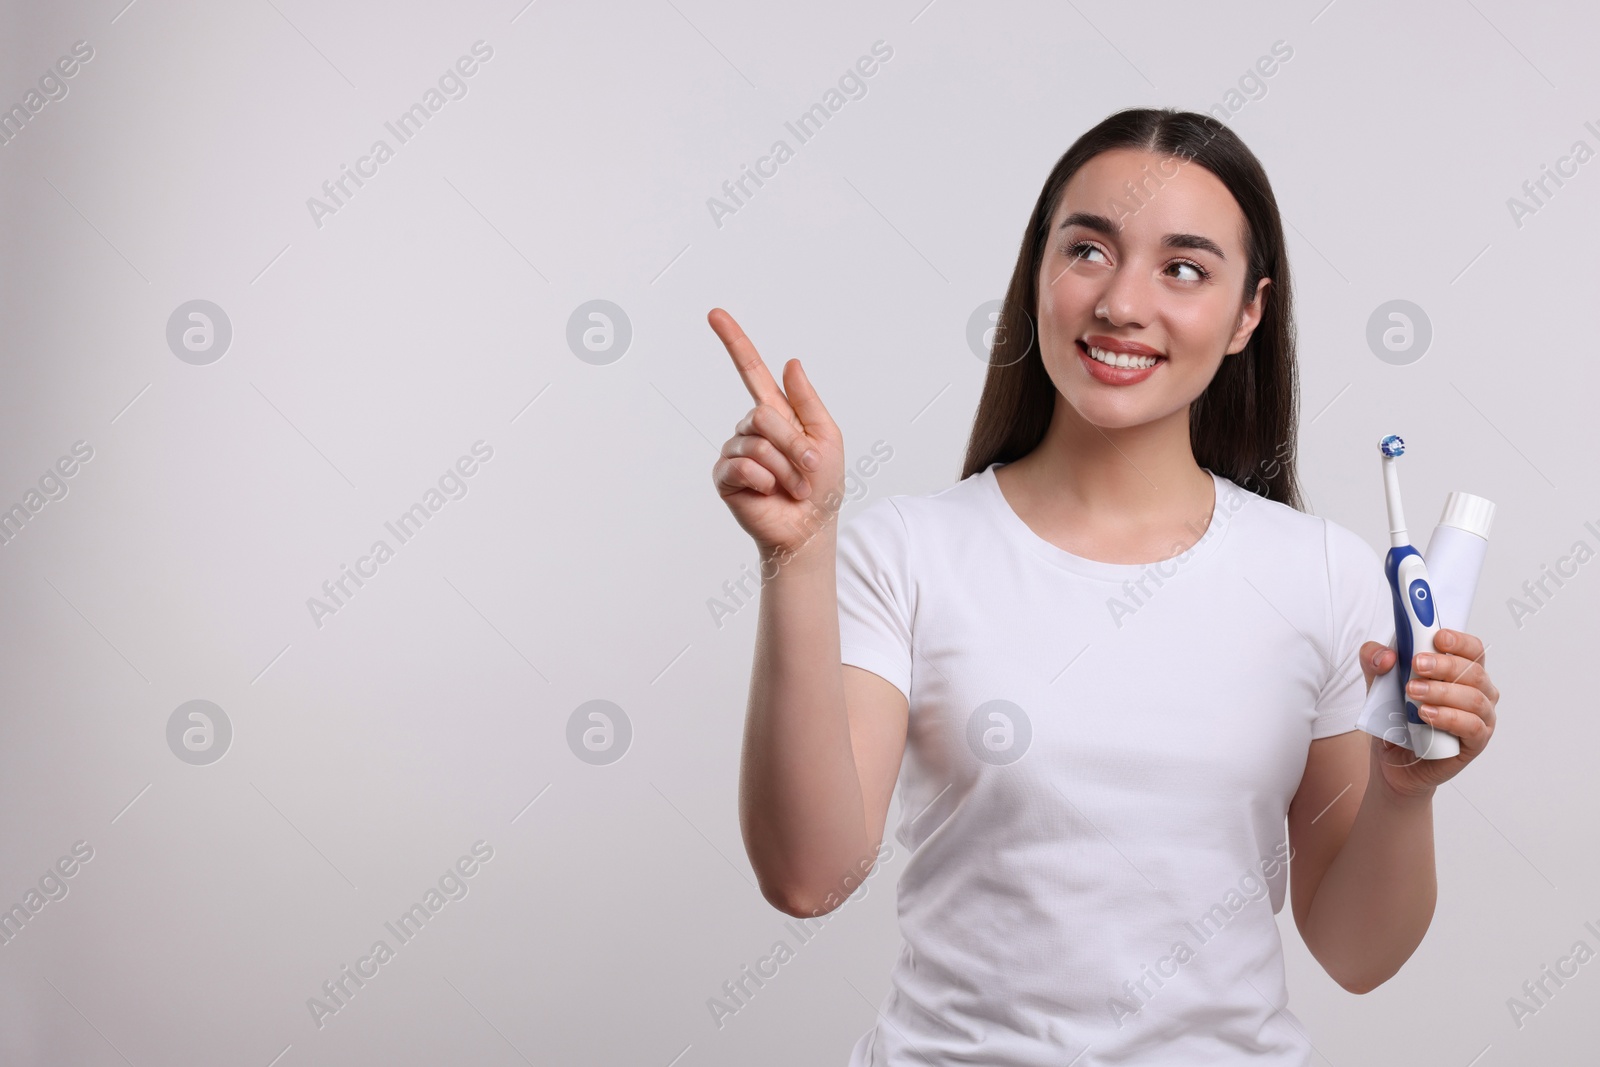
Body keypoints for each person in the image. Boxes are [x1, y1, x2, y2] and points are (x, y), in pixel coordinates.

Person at [706, 107, 1500, 1065]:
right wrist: (797, 554)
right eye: (1089, 250)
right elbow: (807, 877)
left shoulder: (1324, 574)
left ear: (1249, 312)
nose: (1123, 303)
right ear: (1038, 274)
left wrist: (1406, 793)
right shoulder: (907, 552)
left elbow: (1357, 954)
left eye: (1184, 268)